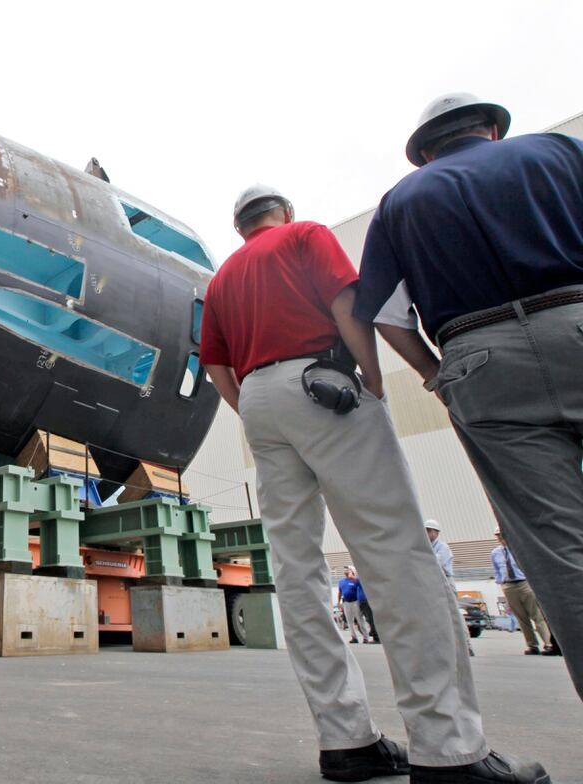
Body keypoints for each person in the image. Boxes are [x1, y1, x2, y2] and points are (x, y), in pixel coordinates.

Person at [199, 185, 548, 783]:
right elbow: (347, 302)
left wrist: (252, 410)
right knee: (394, 551)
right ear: (284, 211)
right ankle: (448, 746)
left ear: (239, 228)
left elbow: (214, 364)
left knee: (297, 571)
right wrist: (373, 379)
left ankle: (346, 740)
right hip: (323, 381)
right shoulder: (305, 235)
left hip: (258, 400)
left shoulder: (223, 278)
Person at [353, 92, 583, 703]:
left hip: (478, 361)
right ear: (492, 129)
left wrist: (436, 375)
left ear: (425, 152)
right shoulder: (560, 152)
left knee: (559, 548)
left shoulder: (400, 203)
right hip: (577, 315)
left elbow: (383, 313)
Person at [491, 528, 554, 656]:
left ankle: (548, 643)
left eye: (501, 535)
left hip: (524, 583)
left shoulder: (519, 549)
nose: (500, 538)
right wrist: (501, 582)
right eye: (498, 535)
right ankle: (532, 645)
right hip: (509, 585)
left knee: (537, 615)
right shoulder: (496, 553)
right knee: (521, 617)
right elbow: (497, 570)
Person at [426, 520, 472, 655]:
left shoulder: (442, 547)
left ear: (436, 532)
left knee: (454, 612)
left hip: (445, 580)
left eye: (428, 530)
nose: (425, 533)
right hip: (431, 581)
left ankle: (466, 645)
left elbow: (435, 564)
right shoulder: (426, 548)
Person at [338, 567, 368, 643]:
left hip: (355, 602)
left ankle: (366, 637)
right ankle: (354, 638)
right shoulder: (341, 581)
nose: (346, 570)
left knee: (360, 620)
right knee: (349, 621)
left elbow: (363, 587)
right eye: (345, 569)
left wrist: (354, 576)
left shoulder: (356, 580)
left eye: (348, 569)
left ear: (352, 571)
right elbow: (340, 592)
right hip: (346, 603)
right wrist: (338, 602)